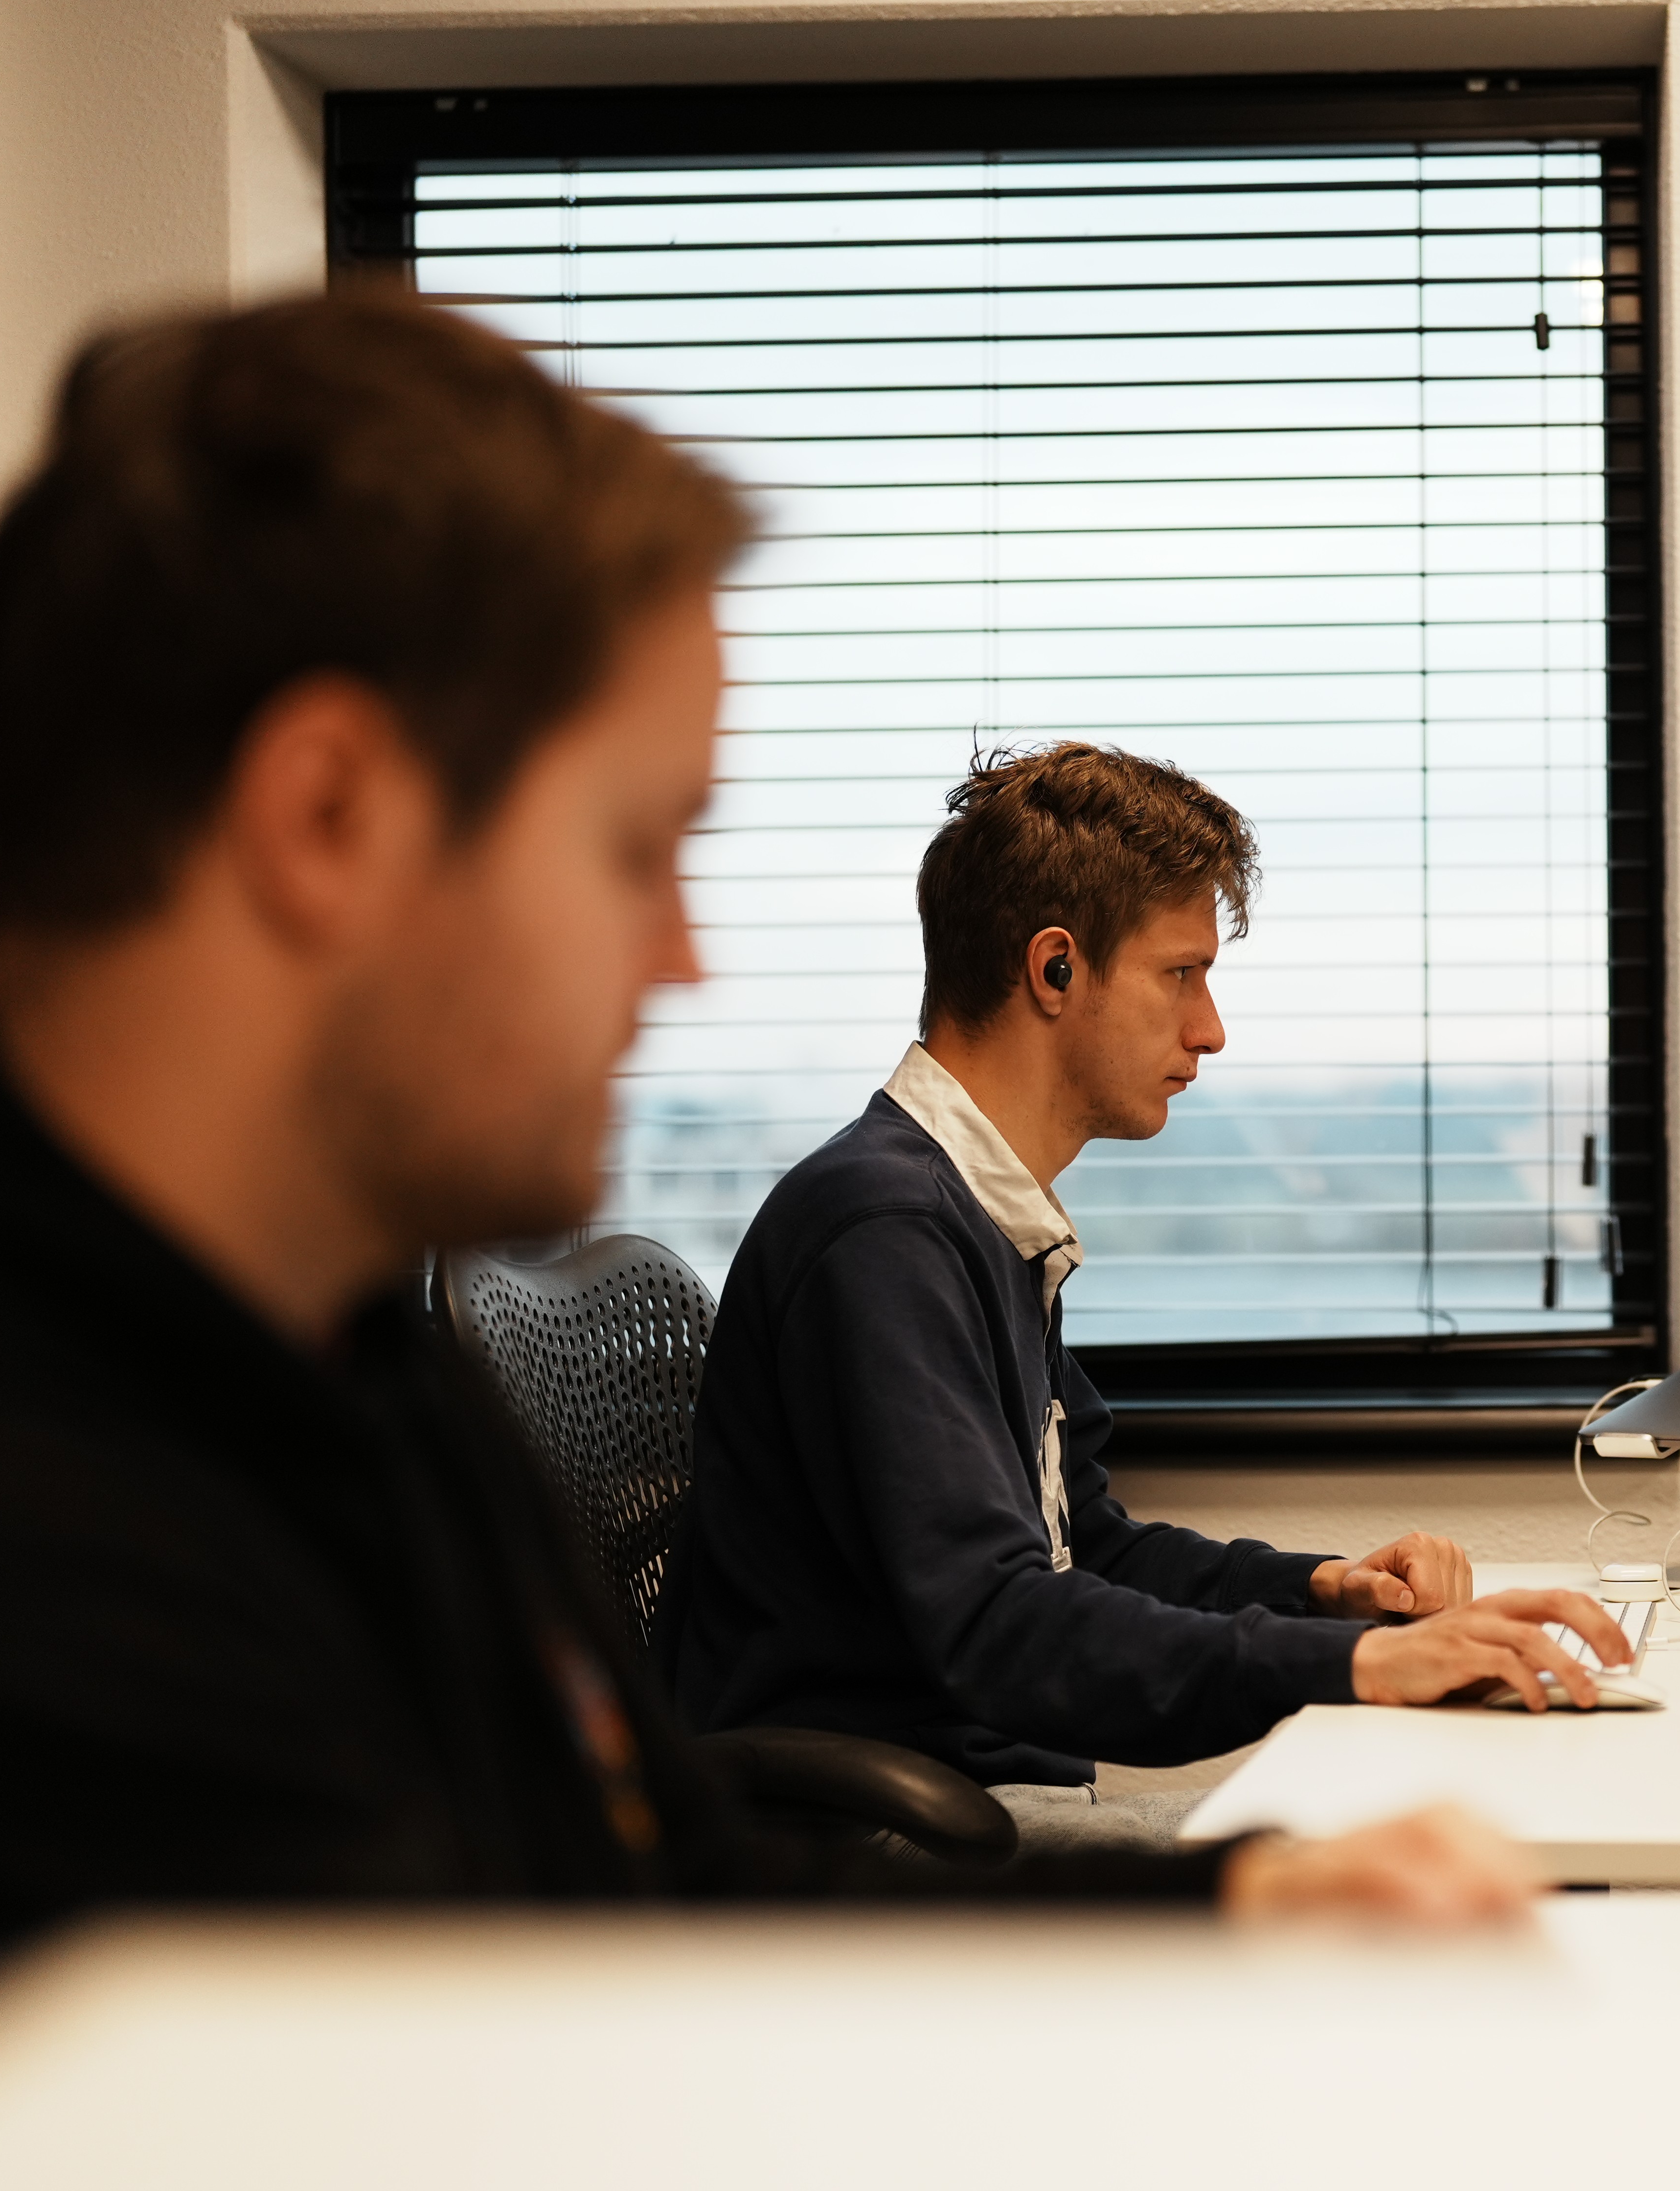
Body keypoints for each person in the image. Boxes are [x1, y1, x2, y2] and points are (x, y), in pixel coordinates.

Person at [0, 294, 1531, 2029]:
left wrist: (1227, 1909)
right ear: (328, 817)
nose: (682, 961)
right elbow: (447, 2065)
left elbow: (659, 1893)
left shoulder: (354, 1371)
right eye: (634, 849)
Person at [658, 744, 1631, 1847]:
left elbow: (1087, 1549)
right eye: (1181, 974)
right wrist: (1361, 1664)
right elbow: (998, 1625)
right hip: (883, 1838)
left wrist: (1327, 1592)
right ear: (1055, 970)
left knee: (1437, 1840)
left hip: (981, 1803)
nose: (1209, 1028)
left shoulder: (978, 1213)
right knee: (1408, 1878)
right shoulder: (886, 1232)